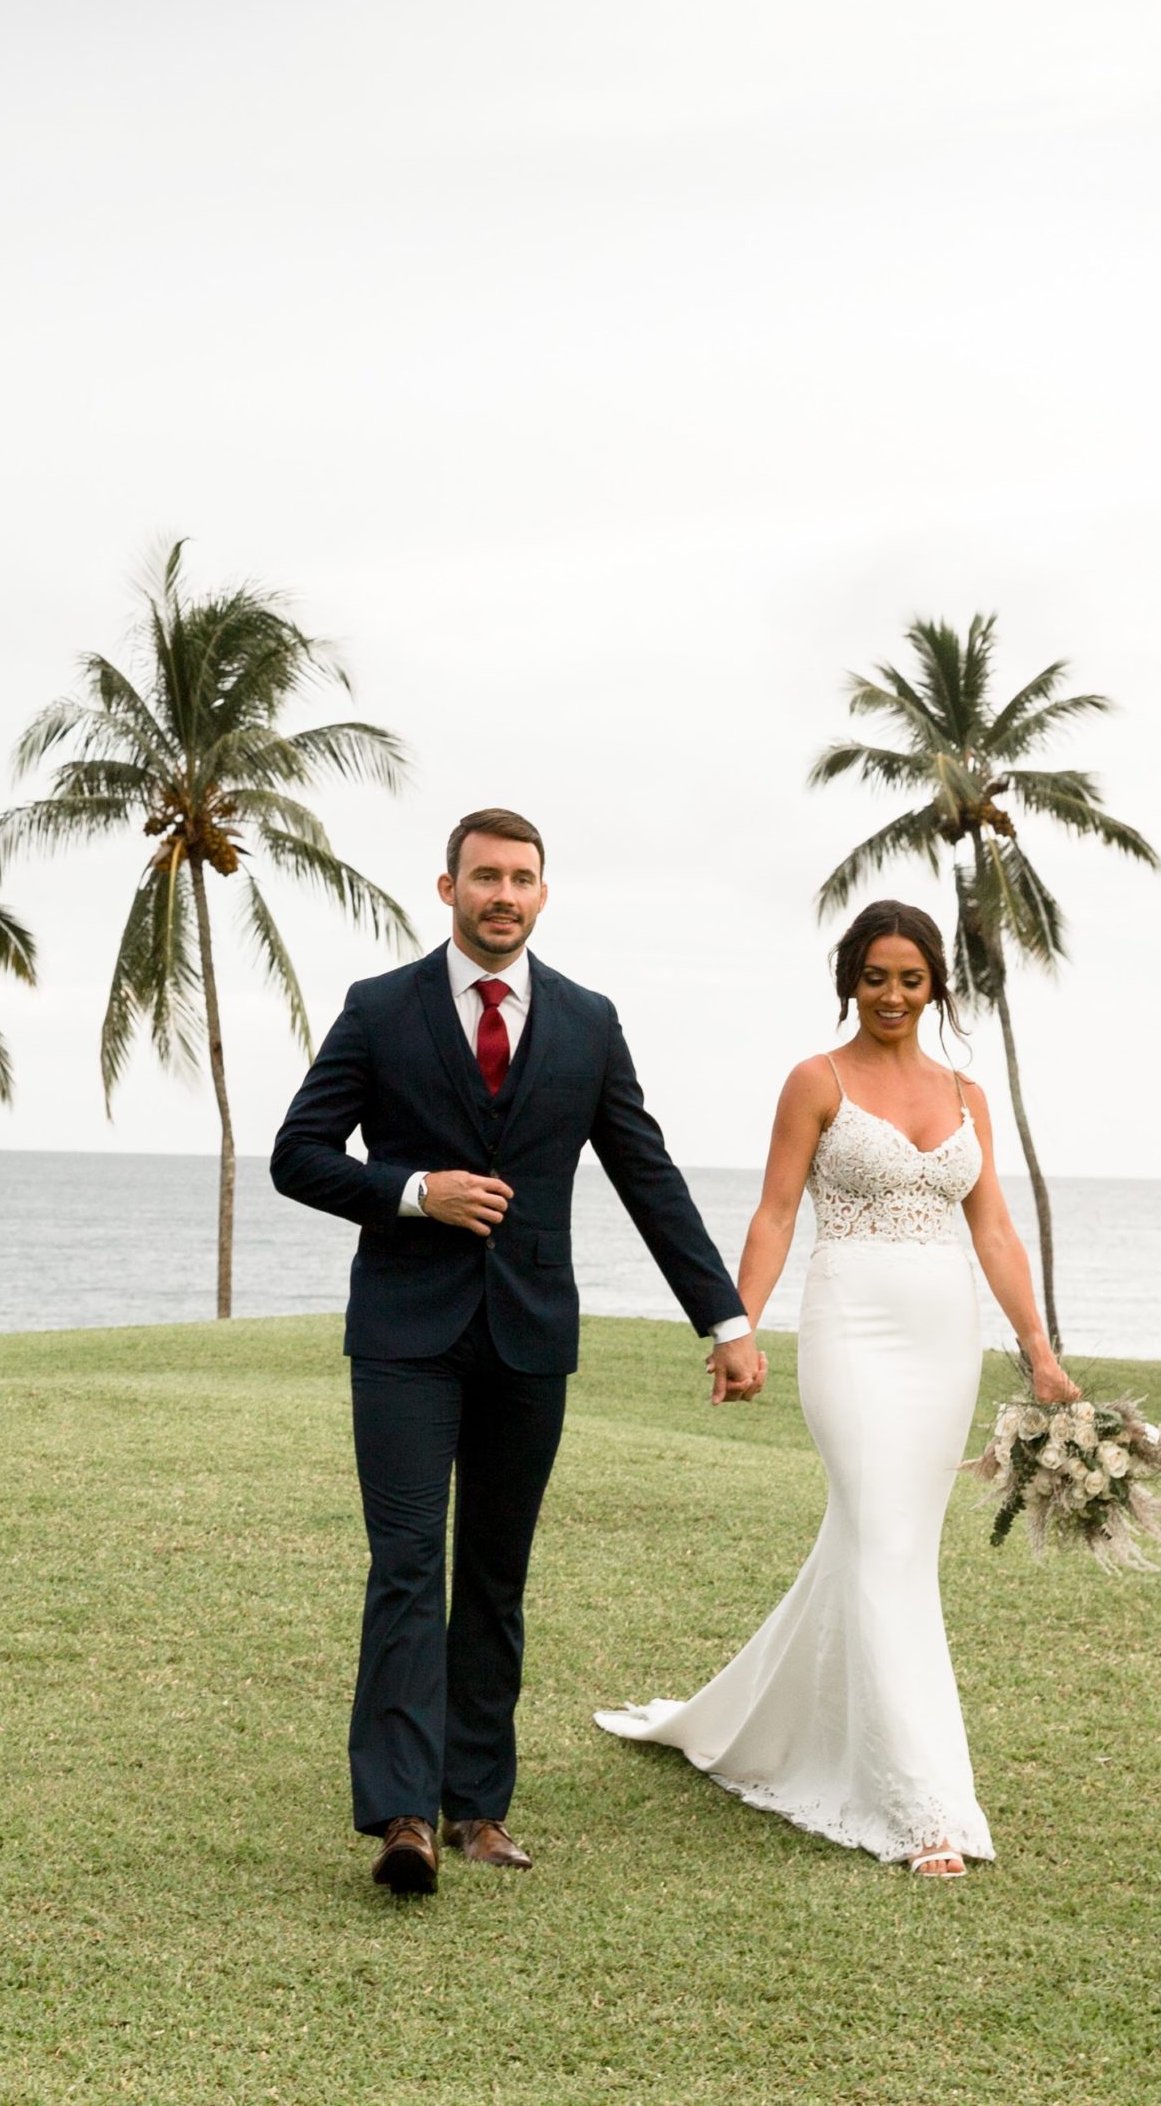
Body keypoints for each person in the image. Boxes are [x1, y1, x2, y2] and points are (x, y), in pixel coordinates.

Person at [270, 806, 765, 1894]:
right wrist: (411, 1192)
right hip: (403, 1335)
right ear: (444, 888)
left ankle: (477, 1807)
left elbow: (646, 1174)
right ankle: (401, 1814)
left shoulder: (586, 1022)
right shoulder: (378, 1009)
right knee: (406, 1566)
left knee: (495, 1576)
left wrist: (722, 1318)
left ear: (542, 895)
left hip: (528, 1338)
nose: (503, 894)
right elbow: (296, 1155)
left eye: (521, 878)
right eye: (483, 876)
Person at [596, 898, 1078, 1879]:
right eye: (873, 977)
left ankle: (764, 1723)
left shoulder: (967, 1094)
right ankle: (921, 1806)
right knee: (879, 1535)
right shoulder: (813, 1081)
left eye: (910, 978)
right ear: (847, 981)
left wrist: (1038, 1347)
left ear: (935, 981)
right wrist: (738, 1327)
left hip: (942, 1332)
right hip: (849, 1324)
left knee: (889, 1547)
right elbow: (775, 1213)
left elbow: (990, 1228)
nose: (892, 995)